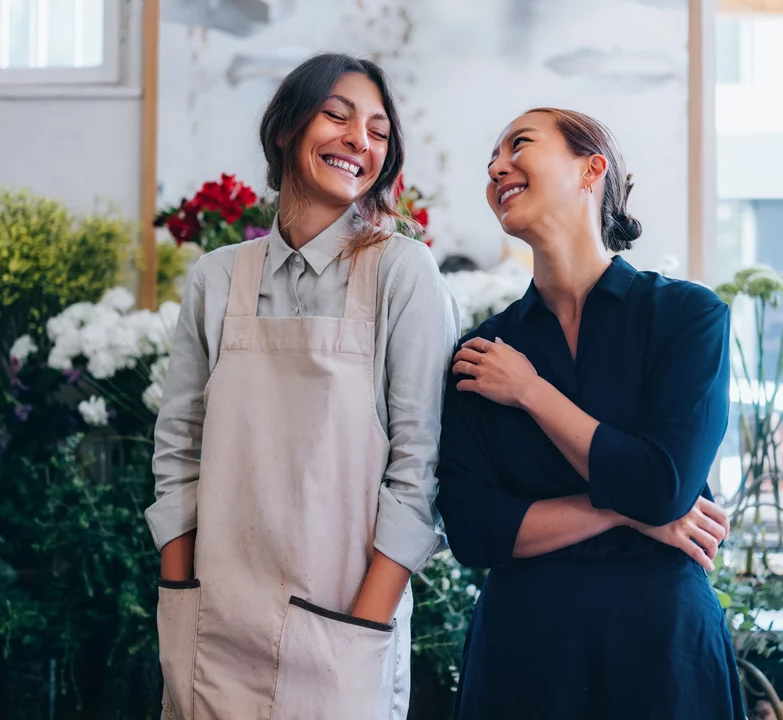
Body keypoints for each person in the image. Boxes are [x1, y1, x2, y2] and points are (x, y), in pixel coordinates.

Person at [144, 53, 457, 719]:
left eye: (377, 131)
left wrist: (363, 630)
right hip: (214, 631)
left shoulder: (402, 273)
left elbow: (420, 467)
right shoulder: (217, 279)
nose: (357, 141)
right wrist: (182, 595)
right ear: (285, 128)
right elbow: (177, 451)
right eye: (336, 116)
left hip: (344, 632)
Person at [436, 107, 747, 719]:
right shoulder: (481, 351)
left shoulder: (689, 317)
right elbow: (473, 530)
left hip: (664, 653)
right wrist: (634, 517)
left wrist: (530, 391)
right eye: (490, 161)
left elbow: (664, 485)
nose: (498, 166)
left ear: (591, 168)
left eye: (518, 145)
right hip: (523, 657)